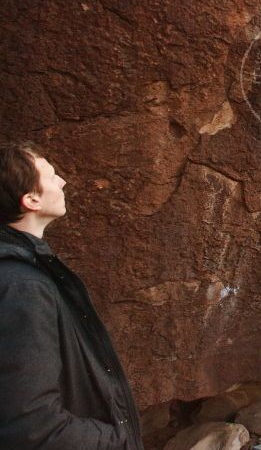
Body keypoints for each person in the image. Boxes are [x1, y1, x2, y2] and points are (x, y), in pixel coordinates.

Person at [0, 142, 144, 449]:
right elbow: (32, 426)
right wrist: (119, 441)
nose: (63, 181)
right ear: (31, 199)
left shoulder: (24, 273)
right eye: (51, 176)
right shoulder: (23, 286)